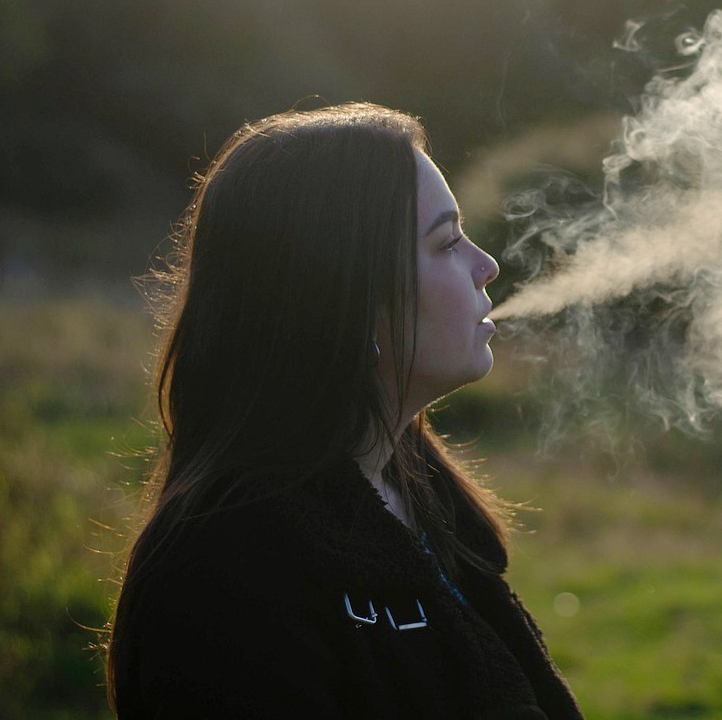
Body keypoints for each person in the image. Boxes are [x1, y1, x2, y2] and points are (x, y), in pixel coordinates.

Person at [105, 102, 583, 719]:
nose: (486, 265)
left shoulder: (419, 493)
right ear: (348, 298)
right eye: (446, 242)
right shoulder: (225, 577)